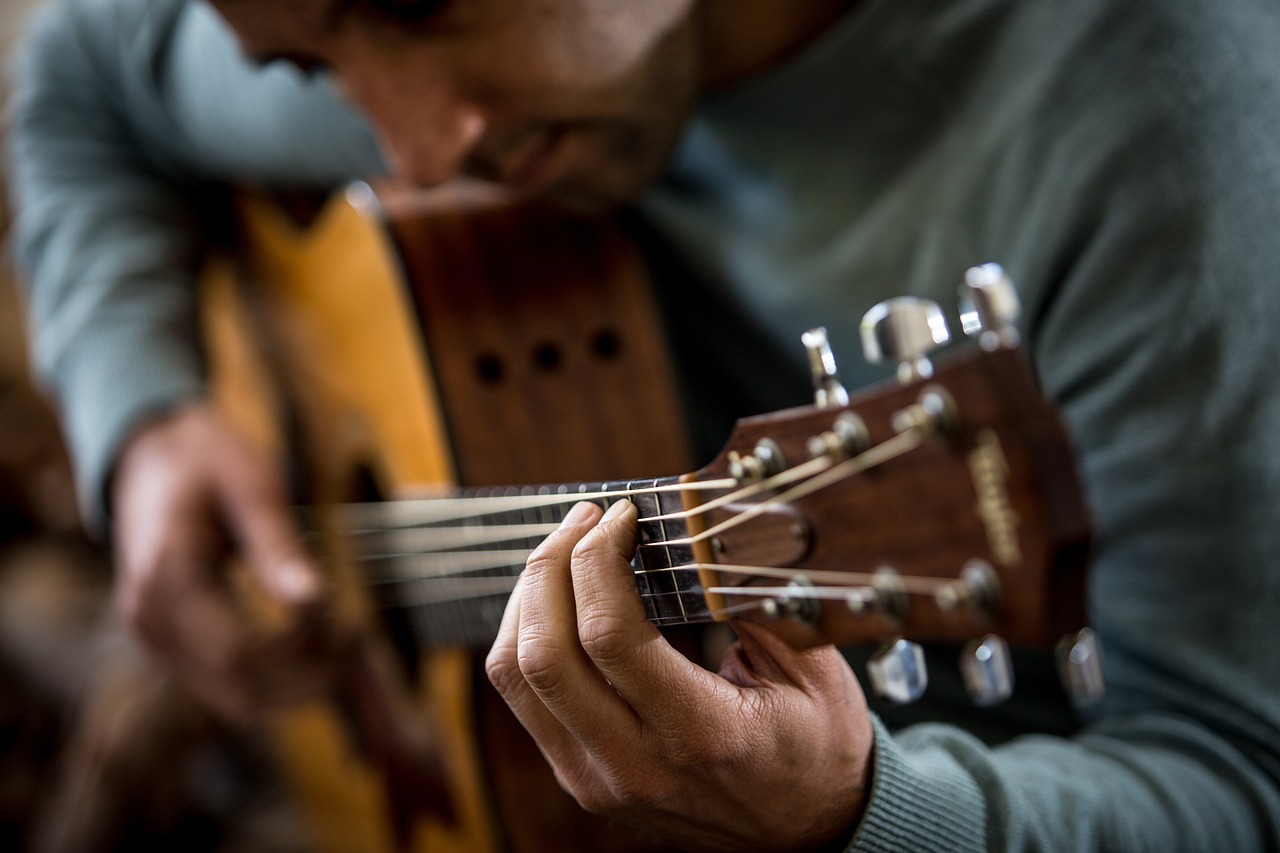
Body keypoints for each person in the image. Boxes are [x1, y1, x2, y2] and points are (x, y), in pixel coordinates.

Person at [8, 0, 1280, 849]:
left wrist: (863, 808)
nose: (417, 143)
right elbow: (74, 80)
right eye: (308, 65)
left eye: (427, 0)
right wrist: (143, 419)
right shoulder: (387, 50)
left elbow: (1239, 777)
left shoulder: (1168, 135)